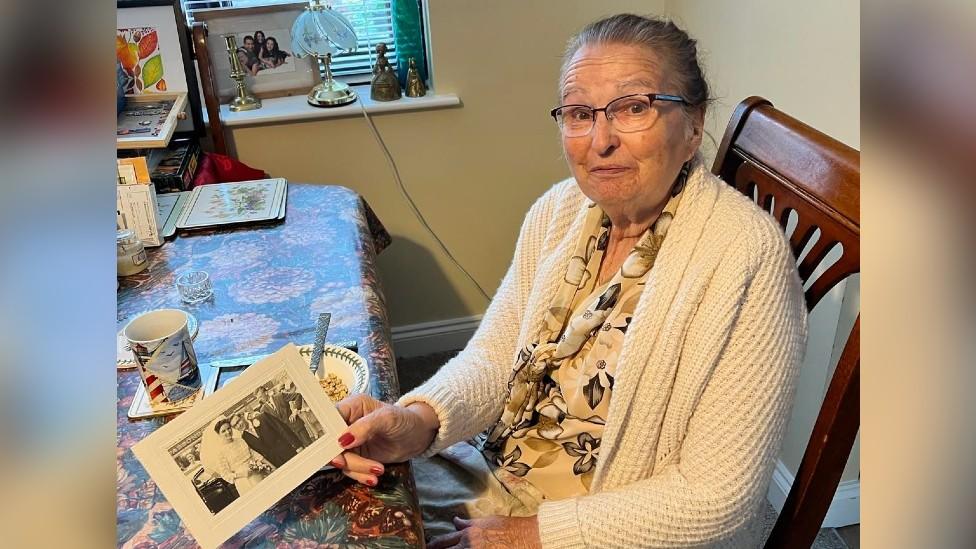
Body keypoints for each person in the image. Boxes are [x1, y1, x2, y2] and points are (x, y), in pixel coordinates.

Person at [331, 13, 808, 549]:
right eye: (580, 113)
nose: (600, 140)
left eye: (634, 107)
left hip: (606, 528)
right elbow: (496, 356)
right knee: (329, 500)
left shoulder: (746, 257)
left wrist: (530, 535)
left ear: (694, 124)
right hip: (499, 469)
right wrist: (416, 422)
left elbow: (718, 498)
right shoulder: (560, 210)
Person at [200, 417, 273, 496]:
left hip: (257, 472)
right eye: (223, 431)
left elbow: (254, 454)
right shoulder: (220, 452)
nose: (228, 432)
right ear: (219, 434)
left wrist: (270, 465)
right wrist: (241, 474)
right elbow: (225, 475)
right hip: (243, 480)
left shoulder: (240, 440)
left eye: (229, 428)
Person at [252, 385, 304, 467]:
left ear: (266, 392)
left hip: (296, 427)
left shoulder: (280, 396)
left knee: (310, 447)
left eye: (260, 396)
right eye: (258, 398)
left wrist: (295, 411)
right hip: (287, 439)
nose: (260, 399)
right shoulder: (263, 411)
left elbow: (298, 395)